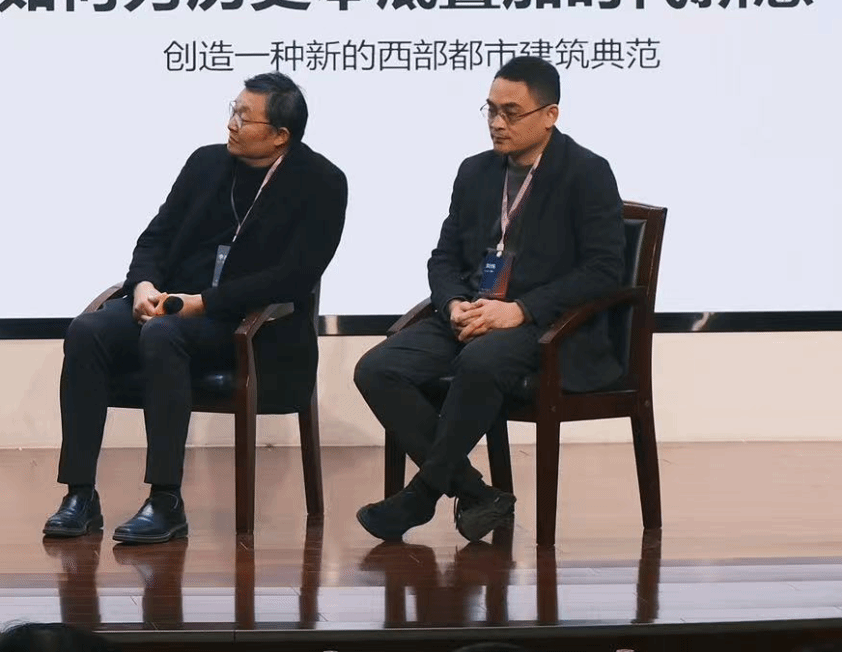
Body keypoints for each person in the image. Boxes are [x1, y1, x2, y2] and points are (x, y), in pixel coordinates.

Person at [44, 72, 347, 544]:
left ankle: (166, 499)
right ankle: (79, 495)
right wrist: (143, 285)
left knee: (162, 335)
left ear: (280, 135)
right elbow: (157, 236)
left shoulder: (322, 182)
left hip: (253, 328)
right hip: (173, 307)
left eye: (244, 117)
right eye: (233, 110)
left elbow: (294, 277)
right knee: (88, 330)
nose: (231, 124)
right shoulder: (206, 163)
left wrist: (203, 303)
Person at [354, 55, 625, 543]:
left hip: (545, 325)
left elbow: (604, 270)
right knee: (377, 368)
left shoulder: (586, 172)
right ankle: (477, 492)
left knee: (480, 361)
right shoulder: (475, 171)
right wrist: (453, 303)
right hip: (473, 312)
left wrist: (521, 310)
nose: (497, 123)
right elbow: (443, 257)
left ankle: (421, 495)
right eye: (491, 110)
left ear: (550, 114)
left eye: (511, 113)